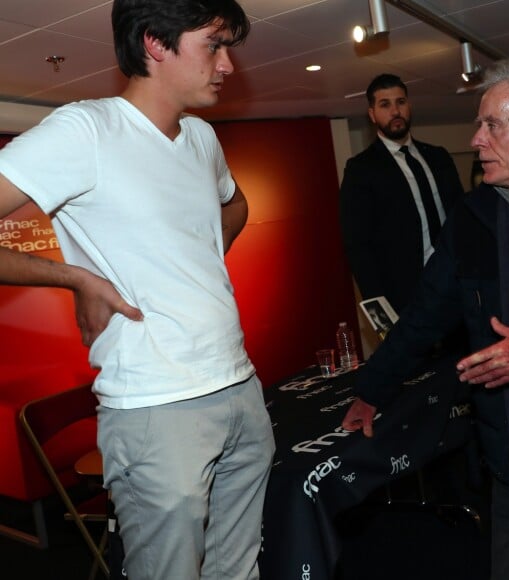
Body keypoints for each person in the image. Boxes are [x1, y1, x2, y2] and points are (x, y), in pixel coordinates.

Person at [0, 1, 275, 578]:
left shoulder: (201, 137)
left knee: (241, 571)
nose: (227, 66)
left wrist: (192, 259)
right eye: (214, 46)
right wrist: (74, 276)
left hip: (240, 387)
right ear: (155, 42)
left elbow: (236, 203)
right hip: (155, 408)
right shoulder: (87, 129)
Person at [342, 58, 509, 579]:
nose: (476, 139)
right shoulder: (474, 220)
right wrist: (371, 390)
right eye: (478, 123)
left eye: (493, 124)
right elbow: (425, 314)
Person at [339, 73, 464, 314]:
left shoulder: (438, 157)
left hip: (455, 282)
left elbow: (461, 217)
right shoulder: (361, 169)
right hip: (404, 294)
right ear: (372, 114)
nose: (395, 111)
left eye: (401, 102)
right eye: (385, 105)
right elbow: (357, 245)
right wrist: (380, 308)